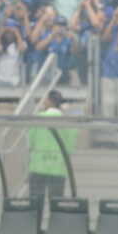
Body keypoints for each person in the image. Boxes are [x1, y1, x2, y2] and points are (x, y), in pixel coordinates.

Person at [28, 90, 78, 224]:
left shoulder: (37, 118)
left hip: (38, 166)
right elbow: (71, 143)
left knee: (35, 202)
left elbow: (30, 139)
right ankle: (56, 228)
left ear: (49, 101)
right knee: (56, 203)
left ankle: (34, 228)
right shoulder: (68, 122)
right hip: (58, 168)